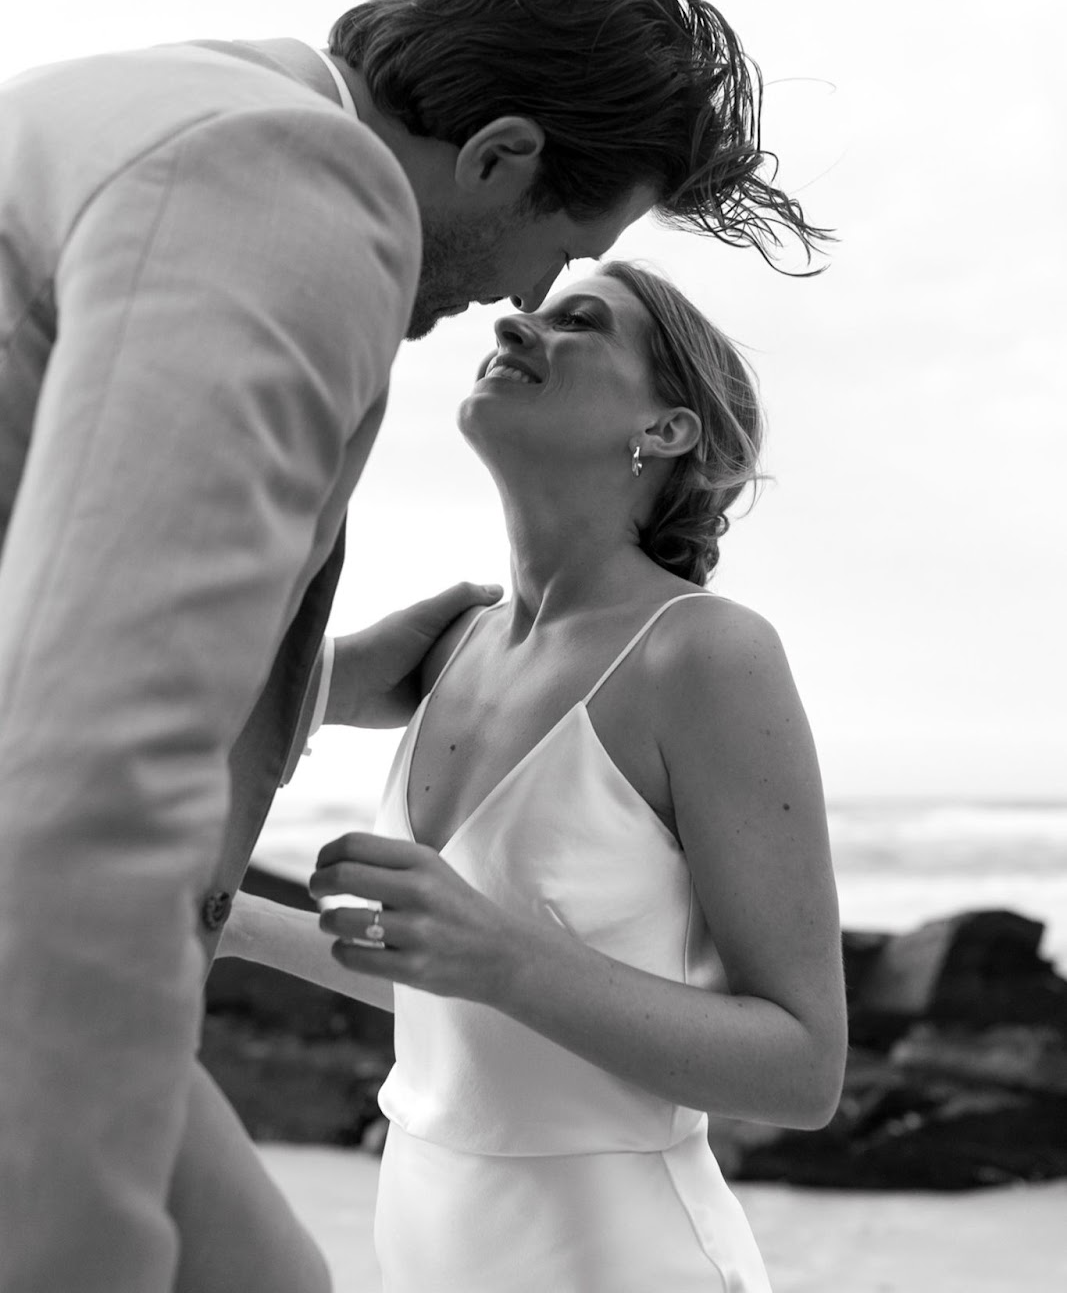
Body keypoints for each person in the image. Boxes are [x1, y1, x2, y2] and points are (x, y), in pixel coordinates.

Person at [0, 0, 824, 1293]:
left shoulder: (175, 110)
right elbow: (90, 745)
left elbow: (69, 660)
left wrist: (290, 692)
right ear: (495, 154)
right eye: (557, 261)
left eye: (569, 291)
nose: (513, 304)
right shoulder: (281, 185)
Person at [225, 261, 848, 1292]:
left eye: (578, 323)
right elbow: (452, 993)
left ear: (664, 430)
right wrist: (235, 915)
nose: (516, 322)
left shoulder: (701, 656)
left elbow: (802, 1068)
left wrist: (501, 952)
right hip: (423, 1238)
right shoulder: (451, 644)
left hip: (617, 1257)